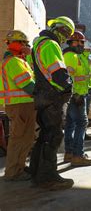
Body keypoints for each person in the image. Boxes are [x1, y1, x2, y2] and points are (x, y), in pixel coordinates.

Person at [29, 16, 75, 190]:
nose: (66, 37)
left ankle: (36, 172)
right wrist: (68, 87)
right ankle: (48, 177)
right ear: (61, 30)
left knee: (44, 136)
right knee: (54, 136)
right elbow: (58, 72)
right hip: (52, 96)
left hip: (42, 95)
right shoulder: (50, 44)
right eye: (67, 33)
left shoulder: (38, 45)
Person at [1, 30, 36, 181]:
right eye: (24, 43)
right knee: (19, 138)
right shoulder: (14, 62)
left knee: (26, 138)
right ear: (16, 44)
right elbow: (27, 84)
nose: (26, 46)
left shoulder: (19, 60)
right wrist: (43, 93)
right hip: (20, 105)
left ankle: (19, 167)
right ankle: (13, 172)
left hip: (23, 104)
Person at [63, 31, 91, 166]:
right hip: (76, 95)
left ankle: (69, 153)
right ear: (72, 42)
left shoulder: (77, 56)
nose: (82, 44)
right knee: (81, 123)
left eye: (83, 42)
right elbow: (69, 77)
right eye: (80, 42)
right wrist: (76, 93)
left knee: (70, 124)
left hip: (78, 94)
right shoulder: (71, 56)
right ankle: (78, 155)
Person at [82, 40, 91, 141]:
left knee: (85, 113)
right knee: (82, 115)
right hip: (82, 90)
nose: (88, 51)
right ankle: (82, 134)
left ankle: (84, 133)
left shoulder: (88, 58)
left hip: (87, 89)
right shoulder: (82, 58)